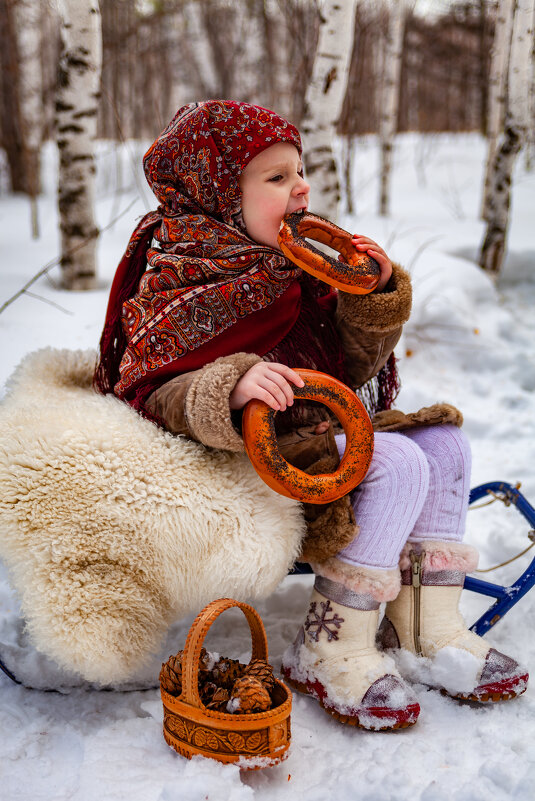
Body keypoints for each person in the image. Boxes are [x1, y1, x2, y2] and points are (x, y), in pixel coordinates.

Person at [95, 100, 528, 730]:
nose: (301, 188)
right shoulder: (182, 275)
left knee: (444, 446)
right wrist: (231, 384)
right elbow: (152, 393)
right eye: (276, 179)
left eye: (299, 172)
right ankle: (330, 645)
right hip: (243, 453)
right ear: (217, 194)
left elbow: (352, 368)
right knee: (399, 462)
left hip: (321, 425)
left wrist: (372, 296)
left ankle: (426, 627)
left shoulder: (296, 264)